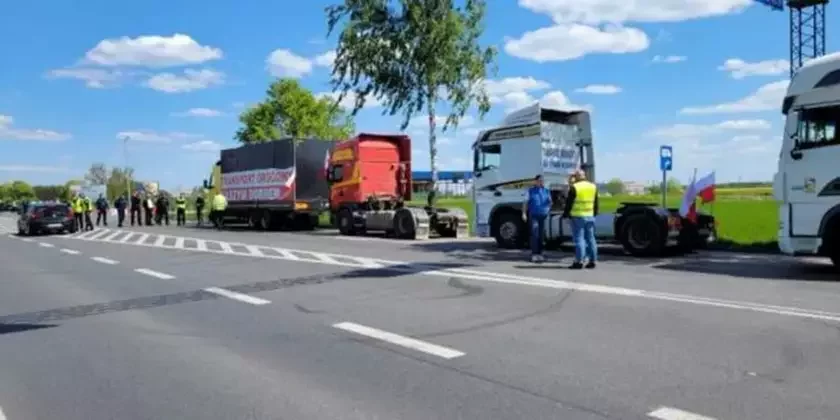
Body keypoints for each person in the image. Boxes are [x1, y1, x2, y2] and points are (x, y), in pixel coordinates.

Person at [563, 169, 599, 269]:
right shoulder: (593, 186)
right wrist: (594, 214)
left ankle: (579, 261)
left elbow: (569, 203)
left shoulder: (575, 187)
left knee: (579, 240)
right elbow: (596, 203)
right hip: (590, 216)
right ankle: (593, 261)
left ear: (577, 176)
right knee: (591, 239)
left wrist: (565, 215)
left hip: (578, 216)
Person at [523, 174, 552, 262]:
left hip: (543, 216)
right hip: (534, 215)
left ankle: (540, 253)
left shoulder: (546, 191)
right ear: (535, 181)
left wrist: (548, 208)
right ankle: (534, 254)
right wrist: (524, 213)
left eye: (542, 181)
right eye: (539, 180)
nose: (541, 182)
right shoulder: (530, 191)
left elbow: (550, 202)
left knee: (541, 235)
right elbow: (525, 203)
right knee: (535, 234)